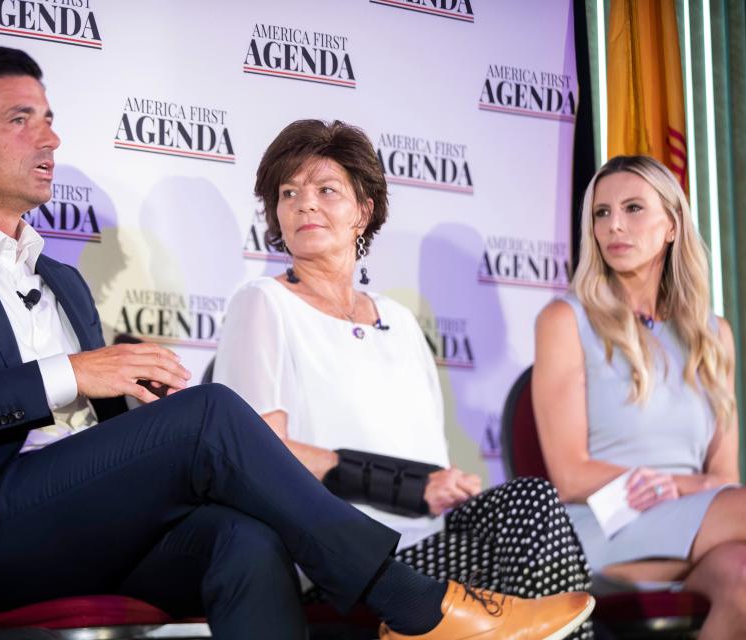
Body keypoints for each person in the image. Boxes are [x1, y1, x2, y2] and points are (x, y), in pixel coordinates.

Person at [0, 47, 593, 640]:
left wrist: (136, 412)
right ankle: (415, 604)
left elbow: (100, 449)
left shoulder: (63, 283)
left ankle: (407, 598)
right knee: (210, 415)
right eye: (22, 119)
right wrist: (74, 372)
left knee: (244, 538)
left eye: (51, 117)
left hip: (72, 524)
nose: (52, 137)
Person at [212, 119, 594, 640]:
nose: (305, 204)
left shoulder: (399, 319)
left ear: (363, 212)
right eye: (289, 193)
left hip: (428, 540)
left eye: (327, 190)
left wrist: (446, 486)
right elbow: (261, 454)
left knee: (530, 503)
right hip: (342, 557)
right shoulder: (263, 303)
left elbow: (427, 458)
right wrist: (413, 486)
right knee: (525, 519)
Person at [533, 155, 746, 639]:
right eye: (601, 213)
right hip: (604, 525)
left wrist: (677, 489)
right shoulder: (565, 320)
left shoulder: (714, 335)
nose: (614, 226)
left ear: (672, 226)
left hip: (690, 521)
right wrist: (676, 486)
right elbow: (569, 475)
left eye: (633, 208)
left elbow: (725, 477)